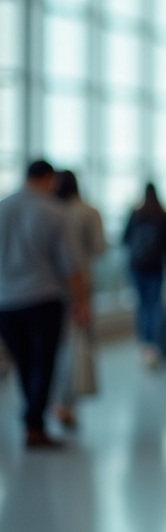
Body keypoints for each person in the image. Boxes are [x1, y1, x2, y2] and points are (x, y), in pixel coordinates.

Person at [0, 160, 89, 448]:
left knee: (24, 363)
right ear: (49, 180)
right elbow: (71, 265)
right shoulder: (54, 212)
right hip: (43, 299)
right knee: (43, 362)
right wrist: (82, 301)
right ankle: (34, 424)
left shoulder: (2, 208)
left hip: (6, 301)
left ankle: (32, 418)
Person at [53, 170, 107, 428]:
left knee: (49, 344)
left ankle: (50, 399)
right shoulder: (88, 212)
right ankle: (65, 402)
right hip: (80, 286)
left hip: (47, 287)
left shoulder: (48, 210)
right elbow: (99, 248)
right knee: (74, 344)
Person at [123, 183, 166, 368]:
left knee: (142, 306)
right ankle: (155, 346)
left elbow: (125, 239)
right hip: (155, 267)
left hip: (137, 267)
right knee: (155, 307)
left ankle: (144, 346)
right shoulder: (162, 215)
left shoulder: (136, 213)